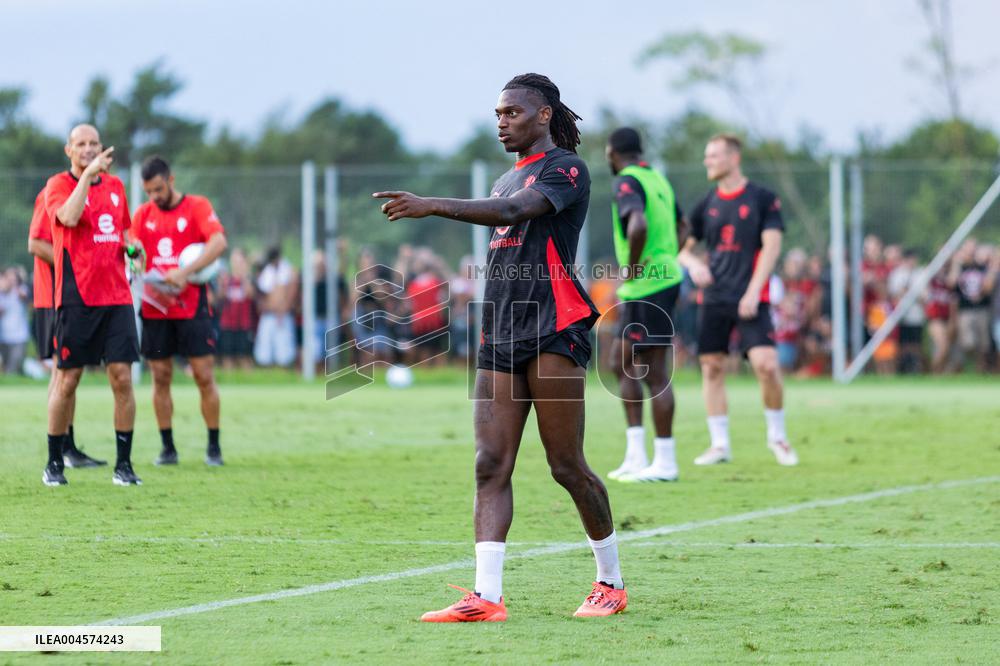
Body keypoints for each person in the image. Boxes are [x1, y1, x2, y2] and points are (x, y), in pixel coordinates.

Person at [375, 73, 626, 621]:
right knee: (490, 463)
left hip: (555, 327)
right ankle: (486, 597)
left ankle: (611, 581)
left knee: (566, 466)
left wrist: (431, 204)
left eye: (512, 112)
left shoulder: (567, 168)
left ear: (542, 115)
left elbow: (515, 215)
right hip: (500, 333)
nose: (502, 122)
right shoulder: (500, 181)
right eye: (497, 114)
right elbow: (502, 218)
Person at [678, 133, 798, 467]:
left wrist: (752, 291)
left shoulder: (762, 198)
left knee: (766, 365)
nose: (708, 162)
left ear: (733, 158)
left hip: (750, 298)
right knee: (712, 367)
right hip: (715, 298)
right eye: (707, 156)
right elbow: (682, 251)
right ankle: (720, 445)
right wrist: (695, 264)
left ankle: (778, 436)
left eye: (713, 155)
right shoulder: (707, 203)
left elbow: (772, 246)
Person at [43, 124, 141, 486]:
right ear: (69, 150)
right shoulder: (58, 185)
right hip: (76, 298)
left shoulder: (116, 187)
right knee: (68, 379)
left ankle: (124, 466)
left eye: (93, 143)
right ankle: (54, 463)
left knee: (123, 379)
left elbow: (124, 232)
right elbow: (68, 217)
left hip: (116, 297)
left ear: (103, 148)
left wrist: (133, 248)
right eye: (80, 144)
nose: (87, 148)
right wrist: (86, 176)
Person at [130, 156, 227, 466]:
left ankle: (213, 447)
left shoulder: (196, 206)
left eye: (158, 189)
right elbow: (130, 246)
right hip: (156, 309)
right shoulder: (143, 215)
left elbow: (218, 243)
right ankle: (167, 448)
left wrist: (185, 272)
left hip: (191, 308)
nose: (154, 197)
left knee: (203, 375)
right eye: (148, 191)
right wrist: (134, 255)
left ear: (170, 181)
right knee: (160, 376)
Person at [604, 127, 685, 483]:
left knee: (652, 371)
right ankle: (637, 455)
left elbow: (637, 224)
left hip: (648, 285)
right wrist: (666, 259)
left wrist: (635, 268)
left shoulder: (627, 181)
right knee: (620, 363)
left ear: (612, 152)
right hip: (656, 282)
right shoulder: (658, 180)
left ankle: (665, 462)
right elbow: (683, 226)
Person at [27, 187, 105, 466]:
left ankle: (66, 447)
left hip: (77, 296)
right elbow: (36, 243)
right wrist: (76, 266)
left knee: (69, 371)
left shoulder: (98, 194)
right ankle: (61, 450)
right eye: (82, 144)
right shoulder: (53, 190)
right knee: (64, 372)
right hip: (54, 295)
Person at [254, 246, 297, 368]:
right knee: (264, 349)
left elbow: (290, 293)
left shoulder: (288, 270)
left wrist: (282, 311)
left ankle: (283, 373)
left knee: (283, 350)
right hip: (268, 314)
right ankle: (269, 374)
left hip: (282, 315)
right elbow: (263, 292)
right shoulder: (267, 270)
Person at [217, 248, 256, 370]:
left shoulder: (248, 279)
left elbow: (250, 294)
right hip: (227, 323)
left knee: (244, 356)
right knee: (227, 356)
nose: (236, 264)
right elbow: (220, 297)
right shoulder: (227, 279)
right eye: (234, 261)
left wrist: (244, 276)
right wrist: (222, 283)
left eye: (239, 261)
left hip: (244, 324)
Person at [0, 267, 31, 374]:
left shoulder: (21, 290)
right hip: (4, 337)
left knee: (14, 367)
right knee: (6, 366)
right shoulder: (2, 294)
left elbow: (26, 298)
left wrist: (15, 288)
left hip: (19, 336)